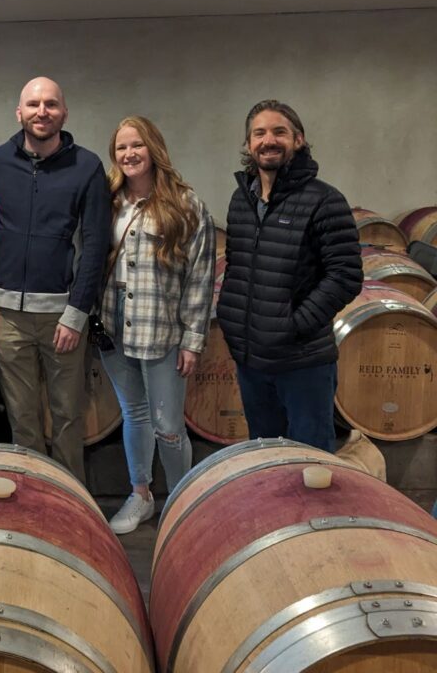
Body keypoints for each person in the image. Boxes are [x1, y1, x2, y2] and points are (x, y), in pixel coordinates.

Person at [0, 77, 109, 483]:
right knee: (22, 418)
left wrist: (76, 313)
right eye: (33, 104)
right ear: (19, 112)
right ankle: (32, 502)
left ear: (64, 113)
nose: (42, 111)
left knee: (68, 416)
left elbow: (96, 242)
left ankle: (73, 504)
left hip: (62, 317)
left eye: (51, 104)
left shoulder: (87, 167)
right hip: (7, 316)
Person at [217, 99, 362, 453]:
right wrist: (234, 322)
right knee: (266, 459)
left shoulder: (324, 200)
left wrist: (293, 325)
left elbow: (345, 276)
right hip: (252, 359)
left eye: (279, 131)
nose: (269, 140)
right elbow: (237, 265)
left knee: (312, 461)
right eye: (259, 133)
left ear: (298, 139)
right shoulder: (242, 200)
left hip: (303, 363)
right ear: (249, 144)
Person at [98, 116, 215, 534]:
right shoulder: (108, 200)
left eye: (137, 145)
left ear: (154, 149)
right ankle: (141, 494)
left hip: (162, 332)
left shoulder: (186, 204)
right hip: (113, 330)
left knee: (168, 426)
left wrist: (193, 339)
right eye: (121, 148)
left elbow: (200, 277)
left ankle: (180, 501)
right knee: (134, 414)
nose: (129, 154)